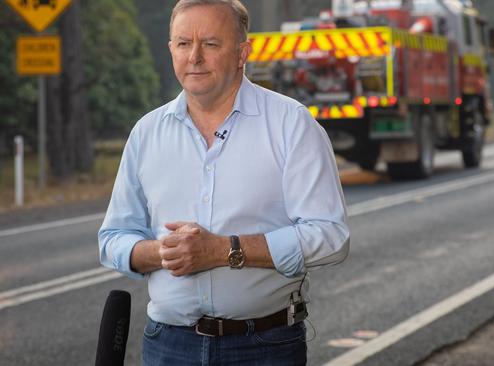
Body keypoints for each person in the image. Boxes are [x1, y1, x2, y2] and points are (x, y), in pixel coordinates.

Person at [97, 0, 350, 364]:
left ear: (241, 53)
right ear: (171, 49)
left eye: (211, 44)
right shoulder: (146, 133)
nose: (194, 57)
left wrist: (222, 250)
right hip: (167, 345)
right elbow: (112, 239)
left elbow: (330, 237)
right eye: (183, 43)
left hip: (264, 345)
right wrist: (163, 253)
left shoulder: (291, 124)